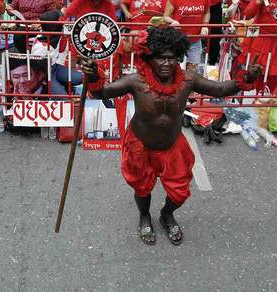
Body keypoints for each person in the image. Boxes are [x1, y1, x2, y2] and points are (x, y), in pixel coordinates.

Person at [79, 26, 260, 245]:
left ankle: (167, 214)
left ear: (179, 58)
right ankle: (144, 216)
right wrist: (93, 76)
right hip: (141, 146)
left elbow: (221, 89)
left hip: (172, 147)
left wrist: (247, 77)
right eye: (161, 58)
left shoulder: (188, 80)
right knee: (142, 188)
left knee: (180, 193)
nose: (167, 64)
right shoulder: (136, 81)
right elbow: (102, 92)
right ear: (149, 58)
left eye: (172, 58)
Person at [163, 0, 209, 72]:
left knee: (192, 71)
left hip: (195, 38)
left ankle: (189, 89)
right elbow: (166, 16)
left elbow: (207, 12)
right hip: (177, 38)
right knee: (173, 69)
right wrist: (173, 21)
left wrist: (205, 25)